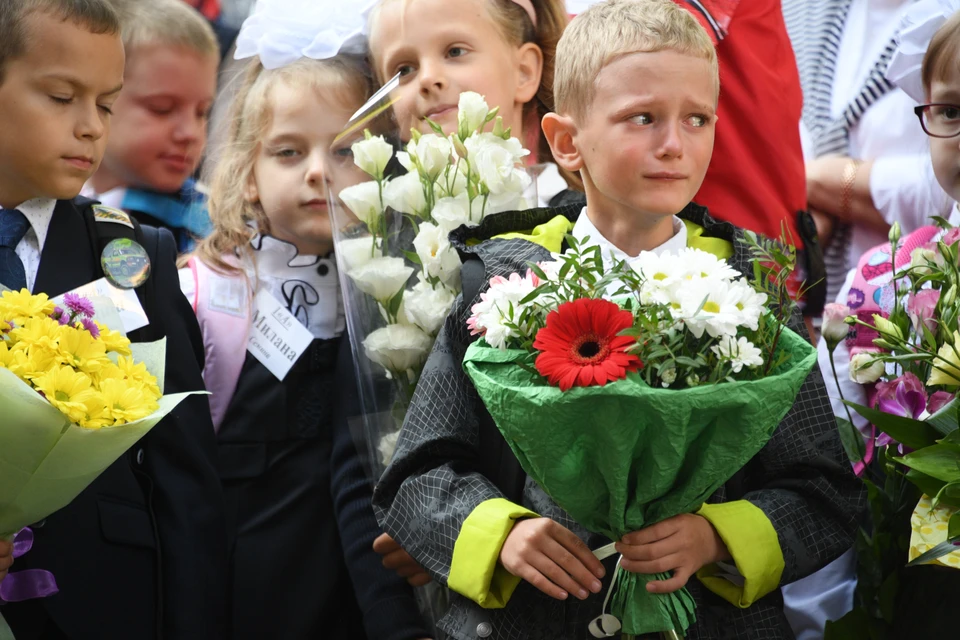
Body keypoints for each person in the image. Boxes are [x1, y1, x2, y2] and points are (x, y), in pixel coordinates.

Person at [372, 1, 865, 638]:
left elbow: (823, 491)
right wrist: (502, 533)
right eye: (643, 118)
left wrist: (715, 537)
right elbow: (416, 474)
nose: (674, 144)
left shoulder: (748, 285)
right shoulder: (508, 277)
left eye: (698, 118)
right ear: (567, 141)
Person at [179, 4, 433, 637]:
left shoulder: (406, 293)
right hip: (244, 585)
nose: (320, 171)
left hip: (364, 586)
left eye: (347, 150)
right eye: (289, 152)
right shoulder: (206, 292)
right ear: (249, 173)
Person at [0, 1, 227, 639]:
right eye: (60, 96)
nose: (89, 128)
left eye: (105, 104)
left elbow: (187, 483)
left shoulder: (132, 256)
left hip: (102, 604)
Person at [366, 0, 577, 206]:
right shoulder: (387, 232)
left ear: (523, 72)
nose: (427, 79)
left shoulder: (582, 221)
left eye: (455, 51)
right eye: (404, 70)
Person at [82, 0, 219, 253]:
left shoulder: (211, 236)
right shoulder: (35, 196)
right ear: (100, 98)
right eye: (162, 108)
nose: (190, 133)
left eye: (202, 112)